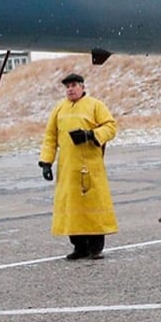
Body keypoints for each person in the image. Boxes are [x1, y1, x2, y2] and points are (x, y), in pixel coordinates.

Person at [38, 73, 118, 261]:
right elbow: (50, 136)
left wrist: (91, 135)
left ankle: (95, 247)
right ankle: (79, 247)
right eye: (67, 87)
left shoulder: (95, 105)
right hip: (68, 168)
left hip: (90, 166)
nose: (70, 89)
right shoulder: (59, 109)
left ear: (82, 86)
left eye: (73, 85)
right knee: (72, 209)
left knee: (93, 208)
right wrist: (46, 162)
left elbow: (111, 127)